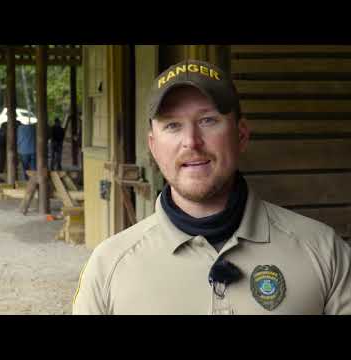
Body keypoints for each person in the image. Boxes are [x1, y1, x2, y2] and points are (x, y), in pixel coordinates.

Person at [72, 59, 351, 315]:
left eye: (208, 120)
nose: (191, 142)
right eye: (172, 125)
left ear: (240, 135)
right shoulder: (108, 266)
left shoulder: (324, 251)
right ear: (153, 146)